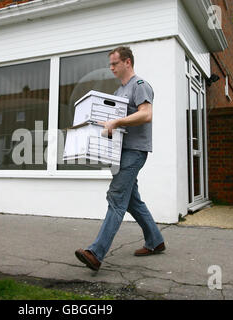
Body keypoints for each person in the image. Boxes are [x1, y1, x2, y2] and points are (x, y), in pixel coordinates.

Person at [75, 46, 165, 271]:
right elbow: (114, 122)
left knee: (116, 197)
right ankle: (155, 241)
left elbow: (146, 114)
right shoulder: (118, 92)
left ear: (128, 62)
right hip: (122, 151)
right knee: (132, 200)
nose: (111, 68)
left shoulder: (140, 86)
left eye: (115, 63)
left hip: (135, 152)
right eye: (110, 64)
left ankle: (96, 253)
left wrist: (116, 123)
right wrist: (103, 128)